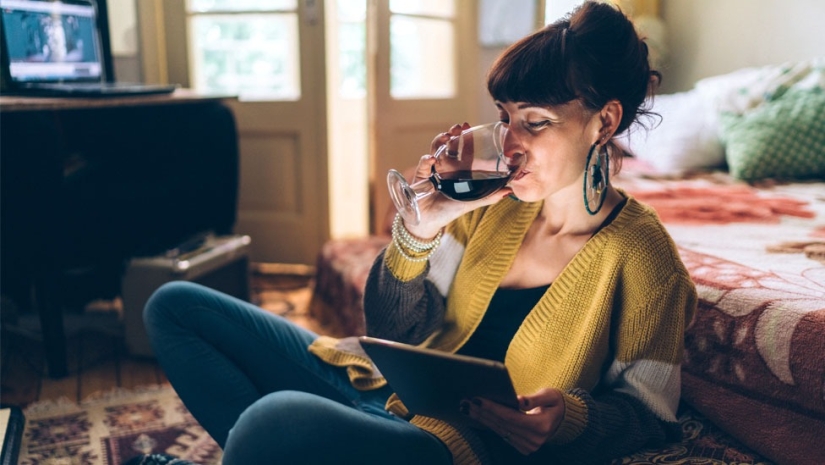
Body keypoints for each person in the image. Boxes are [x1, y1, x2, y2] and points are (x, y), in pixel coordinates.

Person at [143, 2, 696, 464]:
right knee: (175, 307)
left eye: (535, 122)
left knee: (273, 421)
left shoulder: (643, 259)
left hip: (449, 446)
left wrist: (570, 419)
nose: (508, 144)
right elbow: (392, 331)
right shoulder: (489, 207)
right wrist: (418, 229)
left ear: (604, 121)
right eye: (505, 117)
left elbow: (650, 416)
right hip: (385, 395)